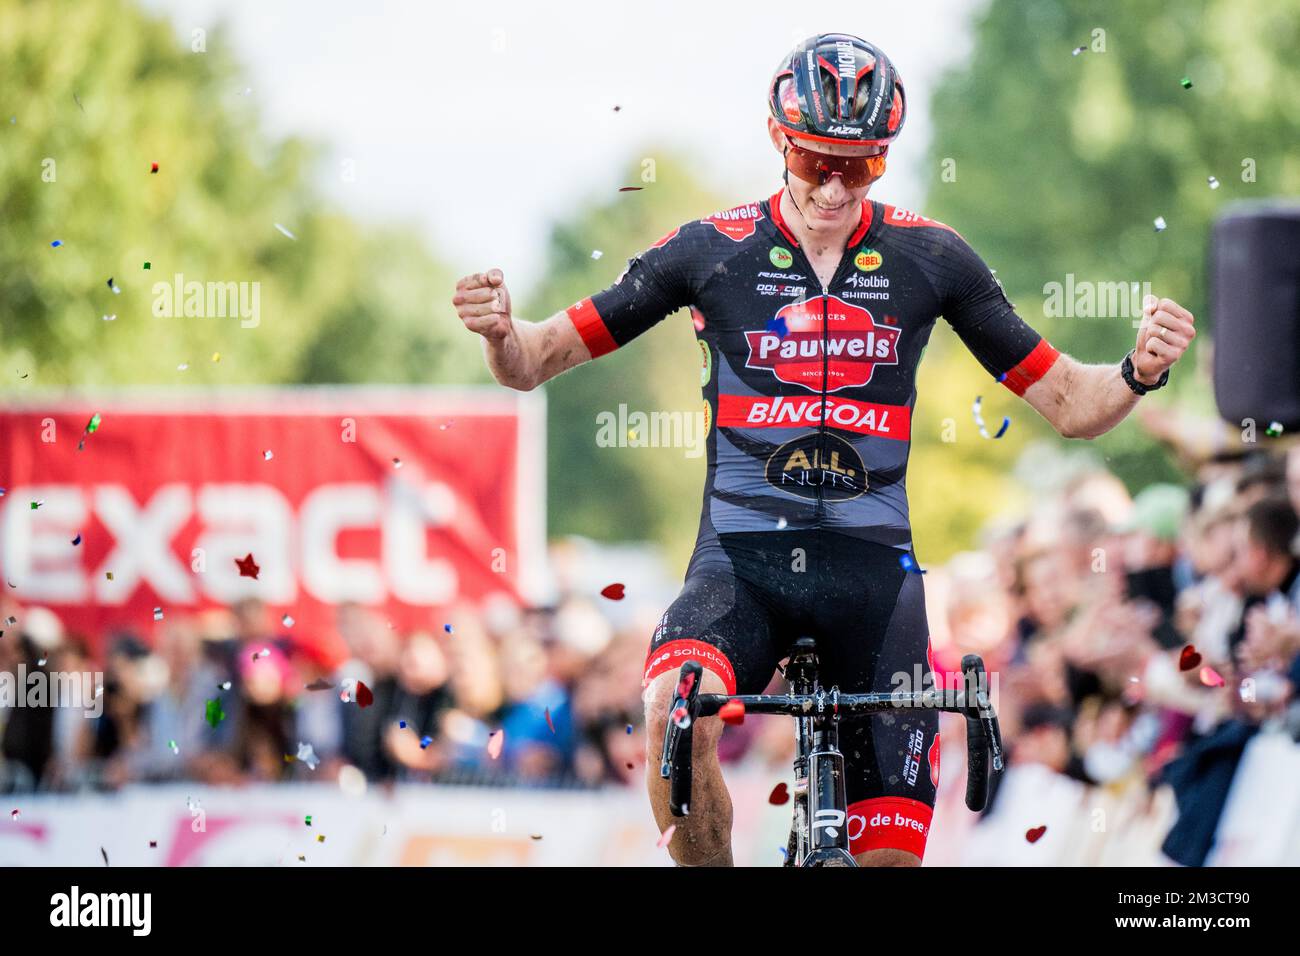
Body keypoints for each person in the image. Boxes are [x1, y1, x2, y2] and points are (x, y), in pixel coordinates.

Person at [452, 33, 1197, 866]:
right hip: (741, 564)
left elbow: (1070, 403)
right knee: (674, 706)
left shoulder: (933, 256)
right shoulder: (709, 249)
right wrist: (498, 334)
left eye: (863, 165)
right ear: (779, 139)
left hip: (874, 573)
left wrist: (1139, 370)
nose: (836, 186)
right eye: (816, 162)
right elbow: (536, 359)